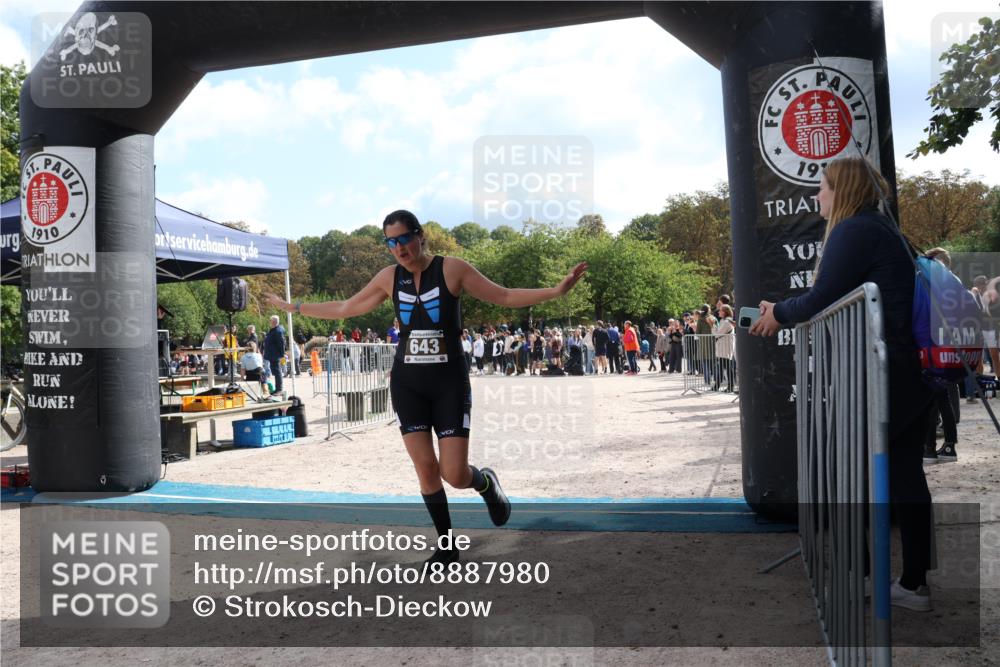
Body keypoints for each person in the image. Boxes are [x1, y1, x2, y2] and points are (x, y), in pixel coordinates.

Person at [266, 209, 587, 567]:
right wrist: (292, 306)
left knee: (454, 473)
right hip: (408, 385)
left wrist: (557, 291)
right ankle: (447, 547)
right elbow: (344, 308)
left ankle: (485, 483)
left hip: (449, 384)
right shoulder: (390, 277)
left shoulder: (453, 269)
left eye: (404, 238)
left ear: (421, 236)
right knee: (425, 468)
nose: (399, 248)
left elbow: (506, 296)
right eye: (391, 242)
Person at [750, 155, 936, 612]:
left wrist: (778, 314)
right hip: (906, 373)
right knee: (908, 477)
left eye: (823, 186)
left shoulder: (854, 230)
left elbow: (820, 299)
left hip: (877, 377)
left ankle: (860, 580)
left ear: (843, 190)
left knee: (846, 478)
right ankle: (913, 585)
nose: (817, 195)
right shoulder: (883, 230)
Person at [263, 315, 287, 397]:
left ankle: (279, 389)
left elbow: (281, 343)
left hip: (275, 355)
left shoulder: (278, 331)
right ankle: (277, 389)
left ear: (274, 322)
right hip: (272, 354)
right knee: (276, 372)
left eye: (270, 320)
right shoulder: (274, 330)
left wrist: (282, 354)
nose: (269, 322)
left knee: (277, 372)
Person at [713, 305, 736, 392]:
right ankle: (717, 386)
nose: (719, 312)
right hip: (723, 347)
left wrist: (713, 326)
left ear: (725, 312)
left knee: (727, 367)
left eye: (720, 311)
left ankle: (730, 387)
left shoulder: (726, 322)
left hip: (725, 348)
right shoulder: (724, 321)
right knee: (722, 367)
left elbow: (717, 334)